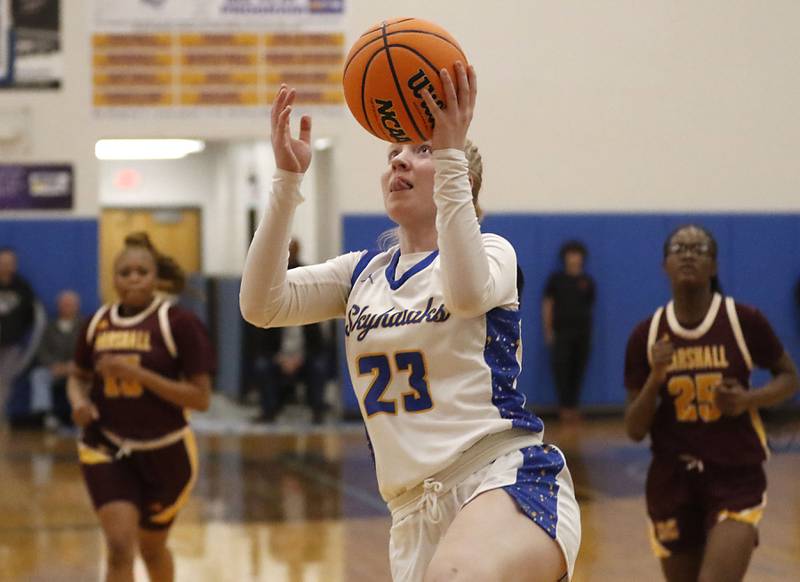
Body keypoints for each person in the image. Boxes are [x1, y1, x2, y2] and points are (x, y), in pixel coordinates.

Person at [241, 64, 580, 582]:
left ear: (456, 177)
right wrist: (288, 182)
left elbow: (466, 295)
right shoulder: (361, 274)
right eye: (393, 151)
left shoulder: (493, 253)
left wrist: (448, 151)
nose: (399, 157)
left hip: (501, 476)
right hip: (411, 510)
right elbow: (261, 305)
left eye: (420, 149)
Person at [624, 224, 799, 582]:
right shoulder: (647, 334)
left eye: (699, 248)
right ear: (664, 265)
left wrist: (748, 399)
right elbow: (634, 429)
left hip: (735, 474)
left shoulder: (743, 320)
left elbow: (789, 377)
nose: (688, 253)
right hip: (672, 480)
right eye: (679, 248)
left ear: (715, 266)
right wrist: (656, 378)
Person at [67, 233, 215, 582]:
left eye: (141, 271)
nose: (133, 278)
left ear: (154, 277)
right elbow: (77, 377)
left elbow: (200, 399)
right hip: (106, 446)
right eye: (125, 272)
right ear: (113, 278)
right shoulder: (96, 323)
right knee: (119, 547)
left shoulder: (178, 323)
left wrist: (137, 374)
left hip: (167, 452)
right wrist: (79, 402)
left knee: (152, 548)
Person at [248, 239, 329, 424]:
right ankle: (269, 411)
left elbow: (318, 342)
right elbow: (263, 339)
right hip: (279, 354)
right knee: (262, 366)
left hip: (303, 355)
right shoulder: (270, 288)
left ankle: (318, 411)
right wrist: (280, 358)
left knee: (318, 366)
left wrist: (299, 358)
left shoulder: (310, 297)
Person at [542, 240, 594, 422]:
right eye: (571, 254)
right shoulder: (556, 280)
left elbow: (589, 307)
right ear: (565, 257)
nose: (574, 258)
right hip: (562, 333)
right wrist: (548, 330)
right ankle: (564, 409)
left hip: (583, 334)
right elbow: (548, 305)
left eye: (577, 254)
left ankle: (574, 408)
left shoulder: (587, 282)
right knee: (562, 370)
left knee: (578, 370)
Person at [31, 289, 83, 427]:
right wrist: (53, 365)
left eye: (70, 304)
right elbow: (41, 351)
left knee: (91, 378)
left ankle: (84, 415)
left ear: (77, 306)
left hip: (78, 369)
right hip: (54, 370)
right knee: (39, 375)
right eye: (64, 304)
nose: (67, 307)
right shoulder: (48, 327)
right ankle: (46, 416)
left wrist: (76, 365)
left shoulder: (85, 326)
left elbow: (90, 349)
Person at [0, 247, 37, 416]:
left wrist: (19, 333)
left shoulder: (22, 287)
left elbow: (32, 315)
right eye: (3, 262)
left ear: (15, 265)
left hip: (12, 343)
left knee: (4, 381)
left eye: (10, 263)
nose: (6, 266)